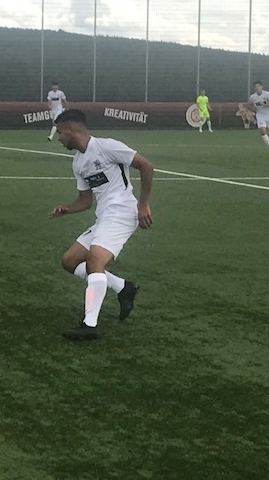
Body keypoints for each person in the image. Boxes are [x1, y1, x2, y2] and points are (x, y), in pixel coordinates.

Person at [48, 109, 154, 340]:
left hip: (122, 212)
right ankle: (123, 287)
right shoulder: (78, 162)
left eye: (60, 133)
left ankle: (90, 325)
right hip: (105, 217)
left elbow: (146, 166)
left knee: (95, 260)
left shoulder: (107, 147)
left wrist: (143, 205)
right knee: (70, 261)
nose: (59, 138)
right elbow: (85, 201)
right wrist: (67, 209)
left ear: (71, 130)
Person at [247, 81, 269, 147]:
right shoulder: (252, 97)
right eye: (255, 87)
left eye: (258, 86)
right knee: (262, 131)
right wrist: (253, 109)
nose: (257, 88)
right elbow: (250, 105)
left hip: (268, 113)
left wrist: (267, 104)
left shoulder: (267, 94)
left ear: (261, 87)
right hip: (260, 115)